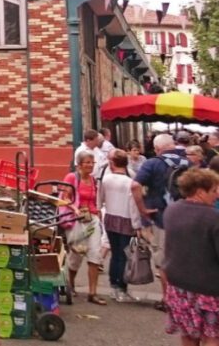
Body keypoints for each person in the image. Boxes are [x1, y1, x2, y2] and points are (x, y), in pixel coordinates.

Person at [161, 169, 219, 346]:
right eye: (214, 190)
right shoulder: (213, 218)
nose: (217, 195)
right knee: (212, 336)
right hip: (209, 289)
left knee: (188, 335)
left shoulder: (172, 210)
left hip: (178, 286)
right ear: (200, 192)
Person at [132, 132, 188, 311]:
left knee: (163, 260)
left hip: (161, 217)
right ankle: (184, 298)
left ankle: (168, 300)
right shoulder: (188, 163)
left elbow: (135, 185)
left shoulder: (153, 163)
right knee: (184, 258)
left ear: (157, 149)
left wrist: (142, 209)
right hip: (186, 219)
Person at [97, 150, 140, 302]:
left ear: (113, 163)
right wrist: (137, 224)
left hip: (110, 217)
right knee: (124, 255)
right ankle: (121, 288)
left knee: (115, 254)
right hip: (126, 219)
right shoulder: (130, 179)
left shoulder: (107, 179)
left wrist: (101, 211)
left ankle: (114, 286)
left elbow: (100, 197)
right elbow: (133, 204)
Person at [64, 152, 105, 305]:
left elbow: (95, 200)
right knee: (76, 256)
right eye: (87, 162)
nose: (90, 165)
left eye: (91, 162)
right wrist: (74, 208)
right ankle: (71, 283)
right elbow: (64, 197)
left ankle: (93, 292)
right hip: (77, 220)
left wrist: (98, 213)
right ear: (79, 164)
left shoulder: (94, 180)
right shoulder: (72, 178)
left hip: (92, 219)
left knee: (95, 253)